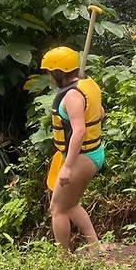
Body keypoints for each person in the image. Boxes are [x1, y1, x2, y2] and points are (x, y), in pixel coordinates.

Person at [41, 47, 105, 251]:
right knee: (70, 204)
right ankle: (95, 248)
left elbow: (78, 132)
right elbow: (100, 113)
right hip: (91, 153)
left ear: (58, 73)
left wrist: (67, 167)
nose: (49, 77)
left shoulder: (72, 96)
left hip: (82, 157)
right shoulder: (88, 84)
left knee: (57, 208)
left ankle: (64, 258)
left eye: (50, 73)